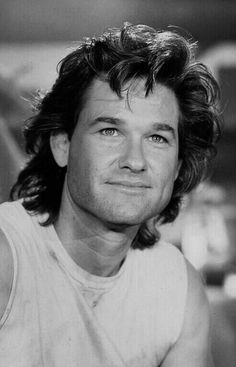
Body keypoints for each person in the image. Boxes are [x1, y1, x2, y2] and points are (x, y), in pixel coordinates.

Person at [0, 23, 221, 366]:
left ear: (177, 167)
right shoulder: (7, 258)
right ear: (62, 146)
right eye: (110, 131)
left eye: (157, 138)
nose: (135, 161)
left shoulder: (178, 289)